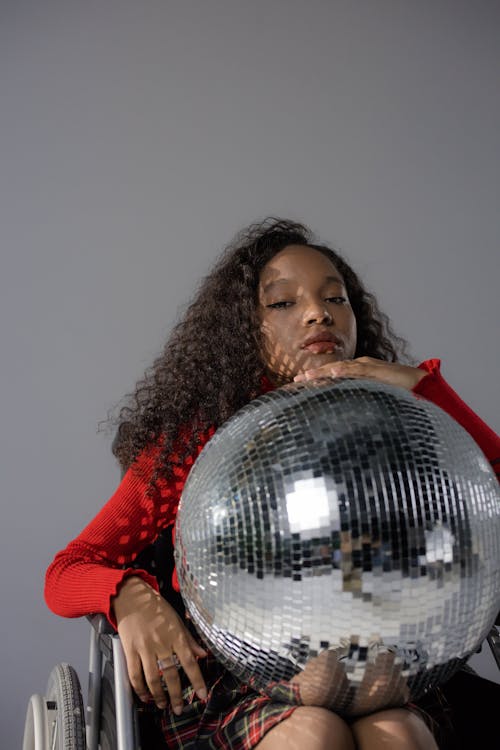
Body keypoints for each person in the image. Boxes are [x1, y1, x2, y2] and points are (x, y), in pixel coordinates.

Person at [45, 217, 500, 750]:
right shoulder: (198, 445)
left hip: (384, 667)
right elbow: (67, 570)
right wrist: (129, 597)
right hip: (236, 677)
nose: (318, 312)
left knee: (396, 733)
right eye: (283, 303)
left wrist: (422, 388)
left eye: (337, 298)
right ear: (245, 328)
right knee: (314, 734)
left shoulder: (400, 429)